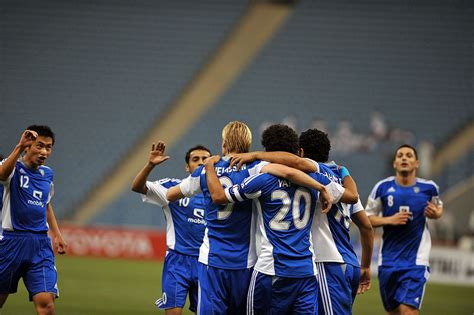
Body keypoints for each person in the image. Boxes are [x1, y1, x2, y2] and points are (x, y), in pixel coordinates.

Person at [166, 121, 334, 314]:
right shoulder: (257, 167)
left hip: (212, 258)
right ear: (248, 143)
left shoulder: (204, 170)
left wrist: (208, 168)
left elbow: (171, 195)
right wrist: (320, 187)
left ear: (224, 144)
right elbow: (289, 170)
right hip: (247, 261)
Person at [203, 125, 357, 314]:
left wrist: (209, 166)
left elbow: (218, 197)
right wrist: (339, 176)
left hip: (270, 270)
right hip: (306, 271)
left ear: (267, 151)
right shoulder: (316, 180)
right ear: (297, 151)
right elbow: (351, 197)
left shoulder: (261, 180)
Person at [299, 128, 374, 315]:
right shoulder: (341, 178)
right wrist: (365, 266)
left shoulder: (312, 177)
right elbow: (366, 226)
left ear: (301, 153)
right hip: (350, 263)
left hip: (328, 261)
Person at [131, 142, 210, 315]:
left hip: (207, 262)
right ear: (187, 167)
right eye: (195, 159)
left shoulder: (220, 193)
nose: (201, 162)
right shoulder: (172, 188)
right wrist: (150, 165)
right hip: (177, 262)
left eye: (205, 159)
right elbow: (137, 187)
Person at [365, 144, 443, 315]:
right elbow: (366, 219)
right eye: (400, 155)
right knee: (393, 312)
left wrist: (436, 214)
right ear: (394, 163)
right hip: (388, 261)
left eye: (409, 155)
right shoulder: (382, 188)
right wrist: (389, 220)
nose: (404, 158)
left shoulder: (429, 188)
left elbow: (438, 208)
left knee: (408, 311)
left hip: (416, 261)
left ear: (416, 163)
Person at [0, 126, 67, 315]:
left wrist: (57, 234)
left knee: (47, 304)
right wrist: (19, 146)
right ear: (29, 146)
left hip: (40, 245)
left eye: (49, 147)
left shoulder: (48, 174)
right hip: (11, 244)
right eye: (39, 146)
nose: (44, 152)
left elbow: (46, 204)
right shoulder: (13, 167)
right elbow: (2, 174)